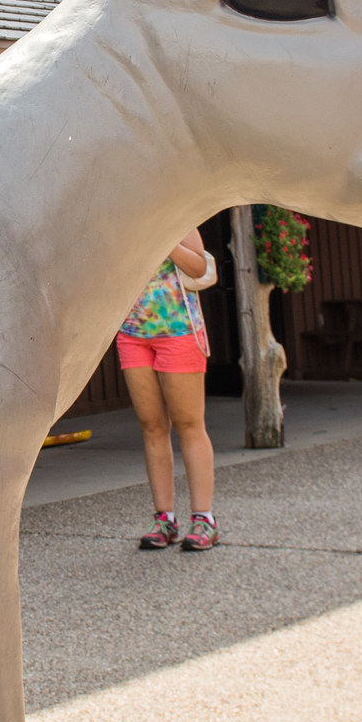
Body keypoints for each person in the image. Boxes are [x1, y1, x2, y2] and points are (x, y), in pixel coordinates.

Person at [117, 231, 219, 552]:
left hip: (179, 331)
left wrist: (165, 241)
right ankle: (164, 520)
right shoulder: (122, 221)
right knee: (152, 427)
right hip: (132, 332)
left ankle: (204, 520)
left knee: (189, 425)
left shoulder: (177, 214)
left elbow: (200, 268)